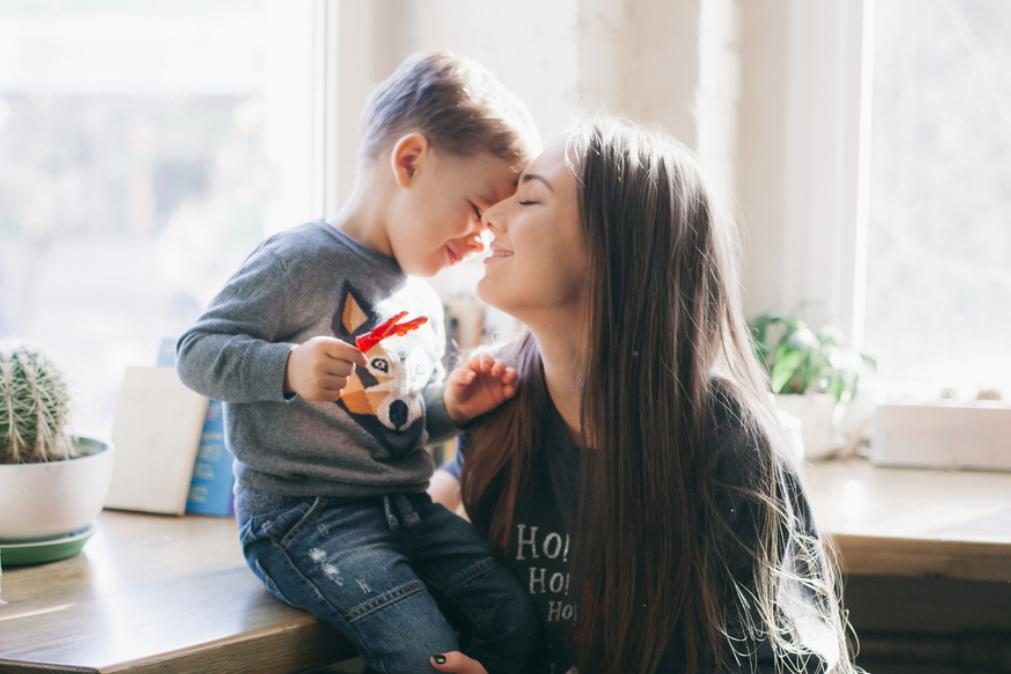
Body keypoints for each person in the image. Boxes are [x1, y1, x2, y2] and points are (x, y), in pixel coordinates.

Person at [428, 119, 861, 674]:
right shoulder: (501, 405)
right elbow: (412, 517)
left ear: (617, 249)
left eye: (529, 199)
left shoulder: (731, 449)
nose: (491, 215)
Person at [176, 52, 542, 674]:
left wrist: (450, 407)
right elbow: (196, 354)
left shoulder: (422, 298)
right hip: (304, 518)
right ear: (410, 161)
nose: (487, 236)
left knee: (515, 625)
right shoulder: (299, 260)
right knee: (423, 653)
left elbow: (392, 426)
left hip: (406, 509)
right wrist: (287, 368)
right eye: (479, 209)